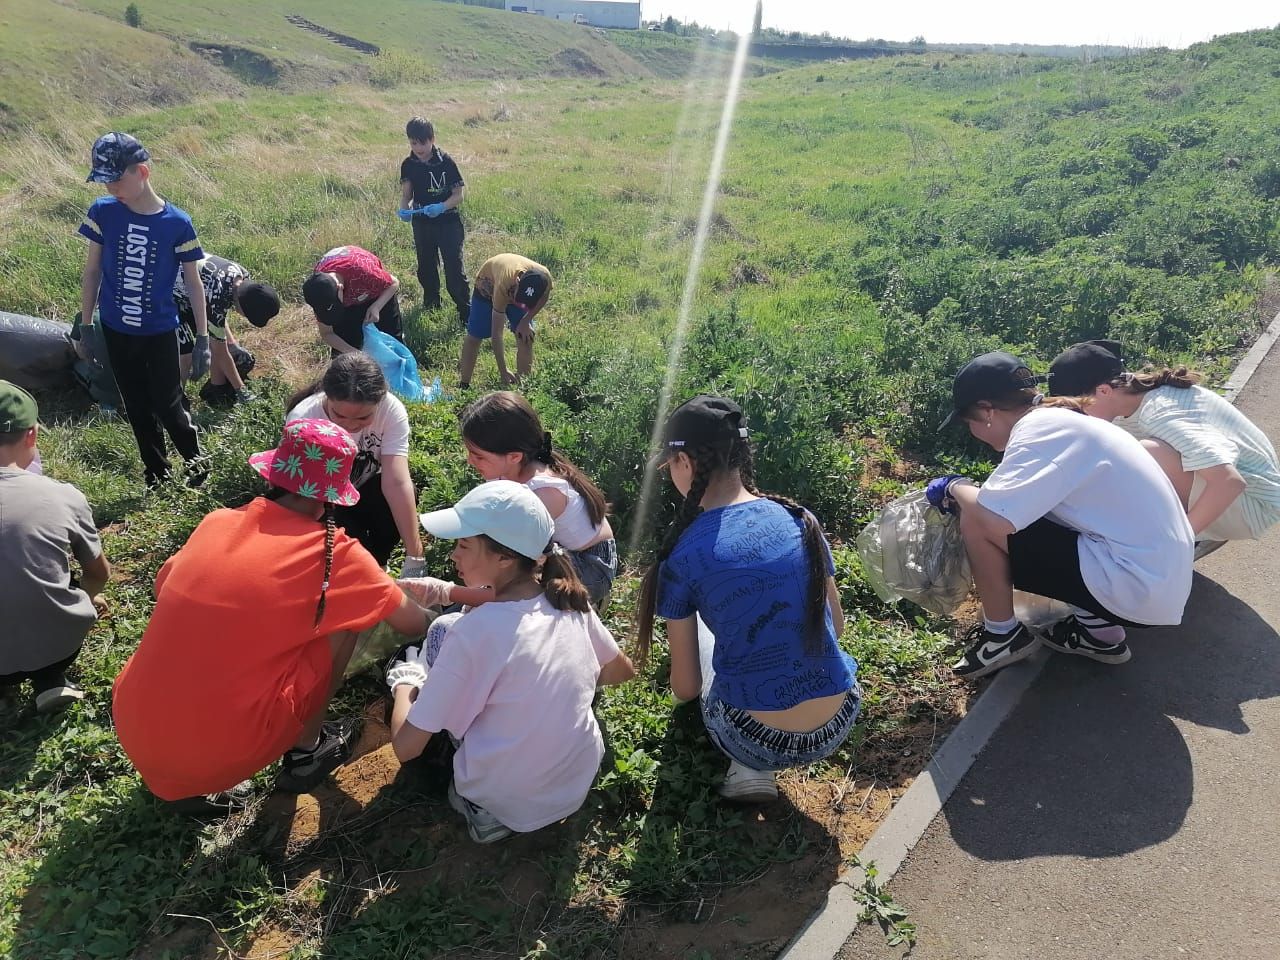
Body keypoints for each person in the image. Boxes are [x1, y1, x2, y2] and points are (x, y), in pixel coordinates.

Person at [112, 419, 438, 815]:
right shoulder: (335, 555)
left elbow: (161, 588)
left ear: (274, 471)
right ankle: (308, 752)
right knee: (346, 621)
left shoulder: (216, 523)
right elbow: (414, 624)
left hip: (133, 724)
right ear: (332, 496)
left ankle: (187, 766)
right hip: (218, 754)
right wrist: (448, 608)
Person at [635, 396, 861, 804]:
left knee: (706, 628)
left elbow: (687, 689)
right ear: (741, 454)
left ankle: (750, 768)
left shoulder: (684, 554)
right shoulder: (800, 518)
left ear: (684, 462)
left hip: (753, 737)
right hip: (840, 720)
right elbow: (837, 625)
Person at [387, 480, 635, 844]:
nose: (453, 554)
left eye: (464, 545)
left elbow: (404, 748)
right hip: (575, 783)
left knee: (437, 635)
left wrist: (406, 683)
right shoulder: (567, 600)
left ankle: (481, 812)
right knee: (449, 630)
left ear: (504, 558)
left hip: (506, 803)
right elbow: (620, 671)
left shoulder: (472, 634)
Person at [930, 351, 1195, 678]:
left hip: (1135, 584)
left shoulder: (1040, 433)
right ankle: (1100, 635)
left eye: (969, 422)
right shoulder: (1059, 422)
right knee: (1030, 515)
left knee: (976, 517)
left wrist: (953, 487)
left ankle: (1002, 638)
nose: (972, 431)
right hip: (1157, 579)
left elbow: (991, 516)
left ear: (986, 412)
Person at [1048, 339, 1280, 554]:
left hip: (1254, 506)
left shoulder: (1159, 413)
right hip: (1244, 492)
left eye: (1077, 408)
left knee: (1148, 454)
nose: (1076, 416)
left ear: (1104, 391)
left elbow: (1230, 482)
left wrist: (1177, 544)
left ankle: (1191, 534)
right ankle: (1202, 525)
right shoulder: (1137, 398)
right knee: (1122, 457)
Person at [78, 132, 210, 487]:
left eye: (117, 179)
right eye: (105, 180)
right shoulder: (103, 213)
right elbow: (91, 272)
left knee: (168, 405)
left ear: (143, 171)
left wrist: (202, 339)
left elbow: (194, 283)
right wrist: (86, 325)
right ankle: (158, 476)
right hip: (117, 330)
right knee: (136, 406)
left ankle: (198, 467)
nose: (111, 188)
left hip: (158, 331)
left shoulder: (177, 223)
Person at [0, 381, 110, 714]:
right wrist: (90, 596)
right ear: (31, 435)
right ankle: (51, 679)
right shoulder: (62, 495)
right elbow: (98, 573)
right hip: (58, 644)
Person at [458, 391, 617, 606]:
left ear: (514, 456)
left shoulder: (541, 494)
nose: (469, 461)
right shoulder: (511, 470)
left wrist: (467, 593)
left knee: (514, 593)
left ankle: (587, 605)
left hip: (590, 565)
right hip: (558, 548)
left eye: (478, 456)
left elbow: (510, 555)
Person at [286, 353, 424, 572]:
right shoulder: (303, 418)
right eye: (338, 415)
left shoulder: (391, 410)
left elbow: (396, 482)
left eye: (363, 418)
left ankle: (379, 562)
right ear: (327, 398)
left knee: (401, 495)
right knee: (352, 556)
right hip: (325, 499)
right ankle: (358, 568)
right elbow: (299, 495)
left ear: (380, 401)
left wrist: (416, 557)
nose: (350, 426)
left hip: (365, 488)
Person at [174, 253, 280, 405]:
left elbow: (218, 324)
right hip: (169, 294)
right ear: (243, 306)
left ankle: (217, 392)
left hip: (194, 294)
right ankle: (173, 402)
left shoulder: (242, 277)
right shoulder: (219, 292)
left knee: (218, 342)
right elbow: (220, 351)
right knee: (186, 355)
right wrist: (242, 390)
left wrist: (233, 344)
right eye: (248, 315)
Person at [398, 116, 469, 325]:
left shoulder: (446, 162)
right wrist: (404, 210)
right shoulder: (408, 165)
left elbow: (459, 195)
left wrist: (441, 207)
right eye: (413, 142)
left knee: (453, 267)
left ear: (432, 139)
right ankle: (432, 304)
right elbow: (406, 195)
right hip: (422, 223)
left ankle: (465, 310)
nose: (418, 148)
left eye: (423, 142)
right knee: (426, 266)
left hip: (448, 223)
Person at [459, 253, 552, 388]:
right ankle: (464, 385)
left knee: (525, 337)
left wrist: (526, 321)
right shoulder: (504, 284)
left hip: (511, 286)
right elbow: (497, 333)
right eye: (518, 298)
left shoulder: (545, 278)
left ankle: (524, 386)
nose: (520, 304)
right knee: (475, 337)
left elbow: (544, 297)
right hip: (488, 284)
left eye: (525, 303)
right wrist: (503, 371)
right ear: (518, 282)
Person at [303, 245, 403, 354]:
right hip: (349, 298)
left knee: (391, 342)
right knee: (345, 353)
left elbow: (394, 283)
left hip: (374, 292)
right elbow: (327, 333)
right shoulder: (319, 290)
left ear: (340, 287)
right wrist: (355, 353)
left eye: (335, 306)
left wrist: (376, 307)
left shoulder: (363, 271)